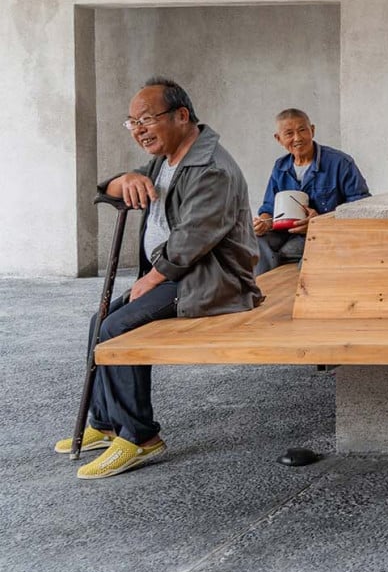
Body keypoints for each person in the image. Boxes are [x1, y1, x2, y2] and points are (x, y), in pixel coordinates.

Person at [57, 78, 262, 479]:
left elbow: (191, 241)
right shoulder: (166, 159)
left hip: (208, 279)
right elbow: (112, 188)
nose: (139, 130)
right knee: (100, 322)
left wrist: (150, 280)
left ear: (182, 116)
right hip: (175, 275)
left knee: (117, 328)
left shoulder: (211, 168)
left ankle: (139, 436)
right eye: (132, 122)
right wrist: (125, 179)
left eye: (147, 119)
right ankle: (106, 422)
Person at [252, 108, 370, 274]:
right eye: (289, 133)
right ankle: (263, 287)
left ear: (312, 130)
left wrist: (320, 222)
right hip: (287, 234)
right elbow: (268, 208)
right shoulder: (280, 167)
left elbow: (361, 206)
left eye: (302, 130)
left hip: (326, 234)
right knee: (256, 240)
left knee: (311, 259)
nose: (297, 138)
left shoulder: (340, 162)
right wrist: (263, 223)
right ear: (278, 139)